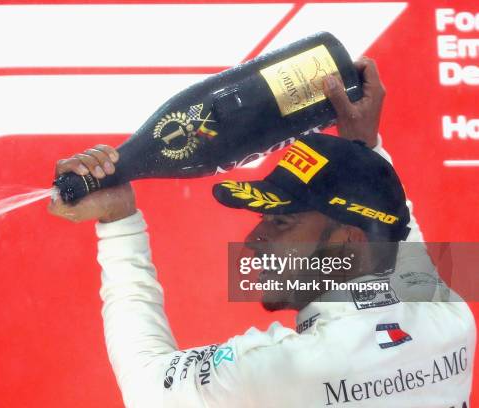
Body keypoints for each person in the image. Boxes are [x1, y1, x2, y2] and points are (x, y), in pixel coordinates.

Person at [48, 58, 476, 407]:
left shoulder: (281, 370)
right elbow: (394, 234)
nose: (254, 238)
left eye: (280, 221)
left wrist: (120, 224)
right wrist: (363, 149)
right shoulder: (451, 318)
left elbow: (146, 384)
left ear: (349, 239)